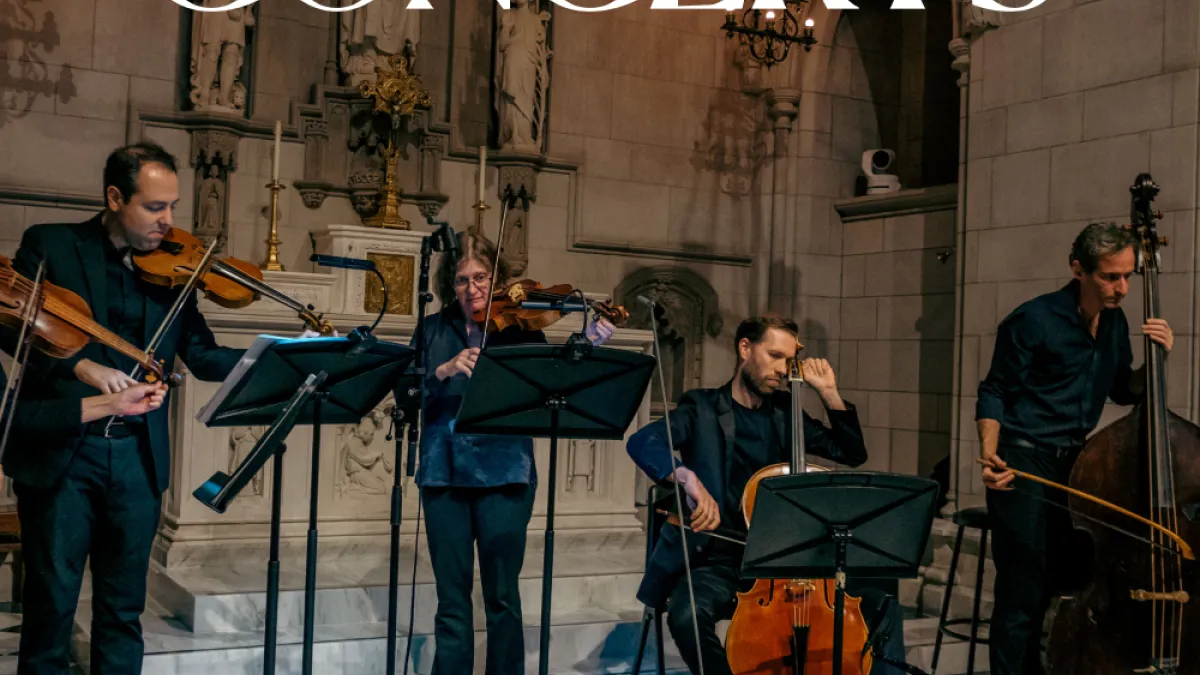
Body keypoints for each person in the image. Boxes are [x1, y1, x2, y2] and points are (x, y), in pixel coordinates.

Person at [3, 141, 250, 675]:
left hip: (137, 460)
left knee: (122, 614)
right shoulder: (51, 245)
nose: (168, 221)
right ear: (115, 197)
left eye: (173, 207)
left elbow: (203, 355)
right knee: (51, 614)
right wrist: (82, 368)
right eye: (154, 207)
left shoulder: (174, 270)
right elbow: (16, 330)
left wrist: (273, 357)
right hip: (66, 454)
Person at [626, 314, 906, 675]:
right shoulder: (703, 408)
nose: (782, 369)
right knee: (686, 615)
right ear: (745, 348)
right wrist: (685, 477)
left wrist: (829, 393)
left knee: (884, 607)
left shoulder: (786, 413)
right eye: (774, 355)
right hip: (718, 559)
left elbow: (850, 453)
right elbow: (643, 441)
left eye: (789, 360)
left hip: (786, 563)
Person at [412, 233, 615, 675]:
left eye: (481, 277)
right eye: (463, 279)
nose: (473, 288)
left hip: (504, 473)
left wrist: (591, 344)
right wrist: (443, 371)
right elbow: (405, 394)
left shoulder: (519, 327)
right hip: (443, 472)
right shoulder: (430, 330)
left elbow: (554, 380)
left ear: (497, 278)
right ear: (451, 283)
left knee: (503, 595)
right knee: (452, 598)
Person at [977, 222, 1174, 675]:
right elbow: (994, 391)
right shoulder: (1033, 319)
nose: (1121, 287)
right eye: (1110, 276)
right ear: (1078, 269)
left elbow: (1125, 391)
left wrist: (1159, 359)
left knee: (1069, 579)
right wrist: (991, 455)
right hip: (1023, 458)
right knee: (1023, 589)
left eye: (1127, 276)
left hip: (1077, 462)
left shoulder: (1116, 323)